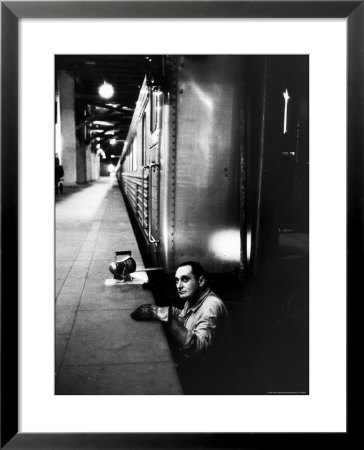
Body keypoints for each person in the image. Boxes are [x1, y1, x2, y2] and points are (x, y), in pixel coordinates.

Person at [131, 261, 236, 394]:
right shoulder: (194, 300)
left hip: (213, 383)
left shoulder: (211, 307)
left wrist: (165, 316)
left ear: (201, 281)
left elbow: (198, 348)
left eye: (185, 279)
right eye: (177, 281)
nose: (179, 286)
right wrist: (163, 310)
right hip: (201, 372)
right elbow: (186, 318)